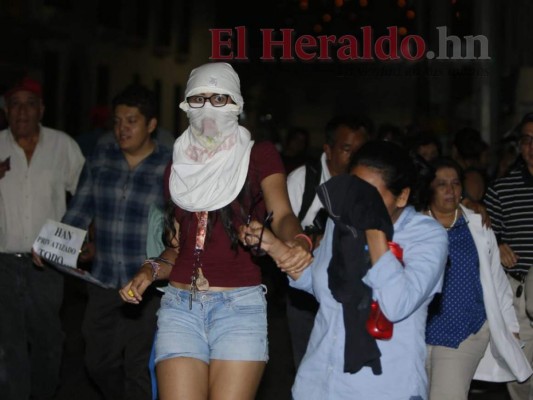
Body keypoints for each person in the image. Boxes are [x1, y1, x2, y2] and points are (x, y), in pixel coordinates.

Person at [119, 62, 313, 400]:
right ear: (186, 106)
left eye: (219, 98)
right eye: (199, 99)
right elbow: (178, 247)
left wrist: (297, 243)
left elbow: (282, 214)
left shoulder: (259, 155)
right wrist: (149, 271)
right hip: (180, 307)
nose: (208, 107)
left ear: (236, 104)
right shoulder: (177, 165)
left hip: (238, 308)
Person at [250, 141, 448, 399]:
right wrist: (275, 247)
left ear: (402, 196)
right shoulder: (340, 225)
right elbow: (320, 285)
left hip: (384, 387)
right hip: (320, 383)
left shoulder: (426, 235)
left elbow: (396, 304)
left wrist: (375, 232)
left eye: (372, 195)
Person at [36, 84, 172, 400]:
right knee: (96, 362)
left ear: (151, 125)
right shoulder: (100, 159)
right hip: (103, 282)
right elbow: (79, 211)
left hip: (147, 286)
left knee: (138, 366)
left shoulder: (170, 166)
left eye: (131, 121)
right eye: (117, 121)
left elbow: (181, 225)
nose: (121, 129)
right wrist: (51, 246)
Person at [0, 77, 85, 400]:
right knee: (8, 344)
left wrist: (80, 240)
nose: (22, 111)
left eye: (29, 103)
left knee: (48, 340)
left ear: (42, 110)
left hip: (47, 264)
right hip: (3, 262)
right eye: (15, 104)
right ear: (6, 110)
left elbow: (84, 196)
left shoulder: (63, 146)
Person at [424, 157, 532, 400]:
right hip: (417, 332)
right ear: (428, 188)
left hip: (465, 329)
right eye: (442, 184)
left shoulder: (477, 223)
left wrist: (511, 326)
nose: (450, 190)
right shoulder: (414, 224)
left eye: (455, 183)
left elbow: (496, 278)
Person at [285, 114, 369, 368]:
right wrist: (316, 239)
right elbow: (283, 233)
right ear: (328, 150)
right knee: (309, 364)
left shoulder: (368, 185)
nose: (354, 156)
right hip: (305, 291)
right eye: (346, 149)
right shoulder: (303, 180)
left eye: (359, 150)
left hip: (354, 292)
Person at [485, 112, 533, 400]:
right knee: (521, 374)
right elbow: (481, 233)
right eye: (527, 140)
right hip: (519, 296)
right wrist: (497, 244)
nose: (532, 146)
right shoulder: (503, 188)